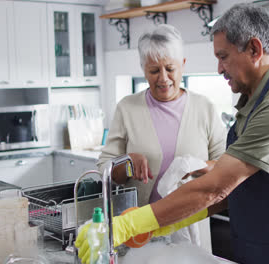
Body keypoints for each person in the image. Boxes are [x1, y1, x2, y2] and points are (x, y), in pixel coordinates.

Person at [77, 4, 269, 264]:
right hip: (263, 243)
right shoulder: (254, 101)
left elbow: (216, 187)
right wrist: (162, 225)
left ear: (254, 50)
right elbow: (235, 190)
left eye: (223, 57)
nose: (219, 68)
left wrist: (127, 225)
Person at [95, 24, 226, 249]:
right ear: (143, 69)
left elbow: (226, 166)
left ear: (182, 65)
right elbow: (104, 170)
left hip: (191, 227)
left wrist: (199, 166)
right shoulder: (127, 108)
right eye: (154, 71)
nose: (163, 78)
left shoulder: (204, 108)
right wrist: (126, 163)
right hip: (140, 232)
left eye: (170, 69)